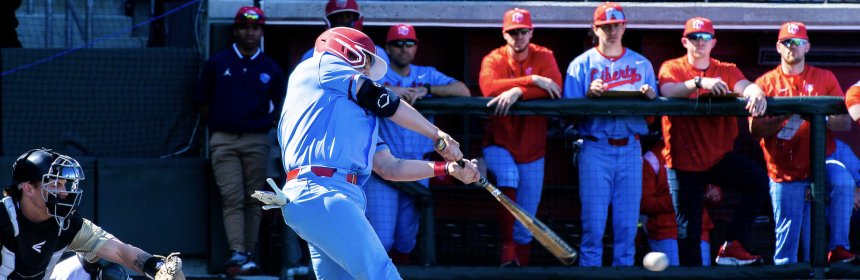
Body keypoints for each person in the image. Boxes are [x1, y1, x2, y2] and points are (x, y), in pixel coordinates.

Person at [262, 27, 480, 280]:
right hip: (321, 190)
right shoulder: (319, 65)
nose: (367, 73)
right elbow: (381, 97)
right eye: (364, 63)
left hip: (329, 196)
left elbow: (390, 167)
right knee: (382, 274)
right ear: (346, 50)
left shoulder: (346, 113)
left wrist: (448, 168)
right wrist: (436, 134)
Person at [656, 17, 769, 266]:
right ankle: (692, 276)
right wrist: (698, 83)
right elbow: (667, 91)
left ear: (713, 42)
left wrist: (756, 93)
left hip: (718, 156)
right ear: (685, 41)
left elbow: (746, 86)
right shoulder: (672, 66)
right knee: (689, 231)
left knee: (758, 182)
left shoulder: (725, 68)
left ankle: (732, 245)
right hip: (684, 160)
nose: (700, 42)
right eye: (694, 37)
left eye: (705, 37)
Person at [362, 23, 470, 264]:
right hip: (383, 169)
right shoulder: (379, 73)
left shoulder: (425, 73)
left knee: (406, 238)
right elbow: (359, 86)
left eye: (409, 43)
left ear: (416, 47)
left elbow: (463, 90)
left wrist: (426, 89)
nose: (404, 48)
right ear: (387, 48)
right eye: (398, 44)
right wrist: (392, 90)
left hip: (417, 168)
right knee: (382, 238)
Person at [751, 21, 857, 265]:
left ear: (807, 46)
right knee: (787, 246)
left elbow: (845, 124)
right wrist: (784, 117)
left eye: (798, 42)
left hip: (820, 163)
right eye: (787, 42)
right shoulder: (765, 82)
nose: (793, 47)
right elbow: (754, 130)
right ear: (778, 47)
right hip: (784, 171)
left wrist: (819, 115)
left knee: (843, 180)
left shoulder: (824, 77)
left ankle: (839, 248)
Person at [562, 2, 657, 267]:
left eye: (617, 25)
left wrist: (651, 99)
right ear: (595, 29)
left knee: (628, 227)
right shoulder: (580, 65)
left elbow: (651, 120)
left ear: (624, 26)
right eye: (606, 26)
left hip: (630, 149)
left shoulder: (642, 64)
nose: (612, 31)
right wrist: (587, 99)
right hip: (595, 148)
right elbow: (566, 117)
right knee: (593, 226)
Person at [194, 6, 287, 275]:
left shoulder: (271, 67)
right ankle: (238, 253)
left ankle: (247, 255)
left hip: (258, 140)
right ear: (235, 30)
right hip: (223, 139)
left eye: (256, 27)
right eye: (245, 27)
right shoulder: (217, 62)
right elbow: (202, 103)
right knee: (232, 197)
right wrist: (223, 123)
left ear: (261, 31)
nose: (250, 31)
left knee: (253, 198)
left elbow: (281, 106)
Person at [2, 148, 184, 280]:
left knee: (106, 266)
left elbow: (120, 251)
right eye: (55, 184)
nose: (64, 192)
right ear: (28, 188)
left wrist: (156, 267)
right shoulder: (3, 218)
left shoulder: (67, 224)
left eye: (65, 184)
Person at [478, 8, 562, 267]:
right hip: (498, 143)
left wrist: (518, 93)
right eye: (513, 32)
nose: (519, 37)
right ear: (505, 34)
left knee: (527, 224)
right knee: (508, 176)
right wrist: (531, 81)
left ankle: (518, 267)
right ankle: (506, 249)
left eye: (523, 31)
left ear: (531, 32)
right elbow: (488, 87)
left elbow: (556, 87)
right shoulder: (495, 58)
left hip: (533, 147)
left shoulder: (544, 54)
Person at [641, 140, 720, 266]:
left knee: (701, 273)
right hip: (666, 232)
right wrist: (677, 201)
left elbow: (712, 191)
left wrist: (716, 194)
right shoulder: (652, 158)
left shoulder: (700, 152)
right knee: (677, 273)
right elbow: (644, 203)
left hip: (700, 230)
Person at [299, 0, 390, 68]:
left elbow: (384, 87)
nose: (344, 21)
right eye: (338, 17)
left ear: (357, 19)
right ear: (329, 21)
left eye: (348, 16)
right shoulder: (313, 55)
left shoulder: (377, 53)